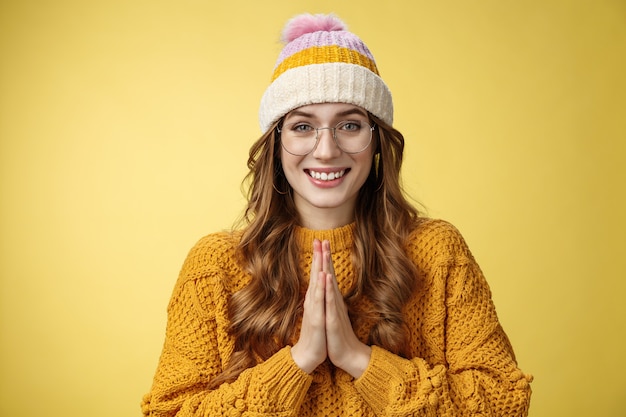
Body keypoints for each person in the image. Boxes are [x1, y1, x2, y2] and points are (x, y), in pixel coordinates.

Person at [141, 13, 532, 417]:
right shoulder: (216, 265)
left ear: (377, 139)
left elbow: (503, 403)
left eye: (349, 124)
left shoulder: (437, 253)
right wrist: (300, 360)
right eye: (302, 127)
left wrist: (358, 358)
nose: (326, 150)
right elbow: (170, 412)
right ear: (275, 144)